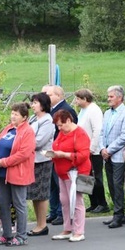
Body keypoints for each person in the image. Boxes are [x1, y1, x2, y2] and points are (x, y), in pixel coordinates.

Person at [0, 103, 35, 247]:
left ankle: (22, 235)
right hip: (2, 174)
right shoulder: (8, 128)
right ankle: (7, 234)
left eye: (16, 114)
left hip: (18, 173)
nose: (12, 116)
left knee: (19, 204)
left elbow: (23, 154)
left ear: (24, 117)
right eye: (12, 113)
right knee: (2, 202)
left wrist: (3, 162)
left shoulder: (27, 132)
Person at [49, 110, 91, 243]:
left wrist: (64, 155)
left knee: (76, 201)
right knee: (65, 201)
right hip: (62, 172)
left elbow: (83, 155)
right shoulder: (62, 133)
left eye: (61, 125)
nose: (59, 128)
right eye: (57, 126)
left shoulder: (80, 134)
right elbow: (56, 145)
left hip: (77, 172)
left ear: (68, 120)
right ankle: (67, 228)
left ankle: (79, 231)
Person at [101, 85, 125, 229]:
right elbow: (102, 132)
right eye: (108, 96)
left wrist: (110, 149)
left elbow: (124, 136)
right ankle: (118, 214)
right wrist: (103, 148)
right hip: (106, 154)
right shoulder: (107, 113)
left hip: (118, 155)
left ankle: (118, 214)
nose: (108, 99)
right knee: (111, 185)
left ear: (119, 97)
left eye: (111, 96)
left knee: (117, 184)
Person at [45, 85, 78, 226]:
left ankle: (60, 213)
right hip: (54, 152)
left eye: (49, 94)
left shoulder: (66, 110)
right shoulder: (51, 110)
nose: (47, 97)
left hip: (62, 153)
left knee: (60, 185)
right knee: (52, 185)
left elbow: (70, 132)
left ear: (59, 96)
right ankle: (53, 211)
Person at [74, 89, 107, 213]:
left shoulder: (94, 110)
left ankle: (102, 203)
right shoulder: (83, 111)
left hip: (94, 151)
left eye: (78, 98)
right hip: (84, 149)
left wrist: (92, 148)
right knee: (86, 176)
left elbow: (97, 130)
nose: (76, 101)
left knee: (96, 176)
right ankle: (93, 202)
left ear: (85, 99)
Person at [27, 93, 54, 236]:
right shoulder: (33, 118)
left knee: (41, 194)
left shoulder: (48, 120)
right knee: (34, 194)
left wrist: (24, 144)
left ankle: (42, 225)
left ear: (43, 104)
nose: (33, 105)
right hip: (32, 160)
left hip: (42, 160)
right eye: (32, 103)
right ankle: (38, 223)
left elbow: (39, 142)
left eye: (36, 102)